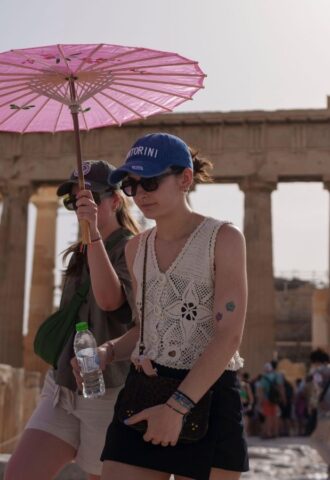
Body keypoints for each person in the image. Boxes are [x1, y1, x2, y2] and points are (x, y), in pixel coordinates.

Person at [73, 133, 249, 480]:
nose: (139, 194)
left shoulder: (224, 240)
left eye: (150, 182)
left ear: (185, 179)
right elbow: (145, 328)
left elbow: (228, 335)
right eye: (131, 185)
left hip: (208, 395)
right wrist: (108, 351)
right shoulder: (135, 249)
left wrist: (177, 407)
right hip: (144, 390)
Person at [5, 160, 139, 480]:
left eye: (89, 198)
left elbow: (110, 301)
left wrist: (93, 232)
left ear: (115, 201)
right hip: (63, 386)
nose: (80, 207)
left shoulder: (132, 248)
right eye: (74, 200)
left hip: (107, 390)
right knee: (19, 474)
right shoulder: (78, 252)